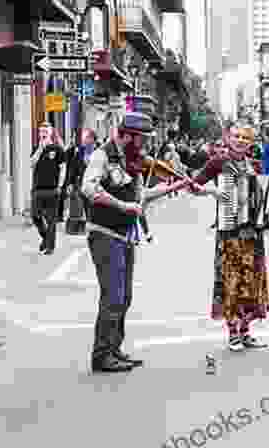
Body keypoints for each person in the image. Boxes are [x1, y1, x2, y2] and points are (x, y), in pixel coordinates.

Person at [81, 112, 193, 373]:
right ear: (128, 136)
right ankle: (101, 356)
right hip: (104, 233)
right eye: (141, 139)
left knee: (124, 297)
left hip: (125, 235)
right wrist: (122, 205)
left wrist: (174, 185)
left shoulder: (131, 161)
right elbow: (88, 188)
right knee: (113, 295)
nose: (144, 145)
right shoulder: (103, 155)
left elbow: (141, 197)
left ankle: (114, 348)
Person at [187, 125, 269, 352]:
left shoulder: (254, 166)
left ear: (251, 142)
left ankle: (245, 331)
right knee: (231, 281)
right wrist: (213, 192)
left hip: (253, 233)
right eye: (237, 136)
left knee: (251, 282)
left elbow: (262, 197)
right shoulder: (218, 162)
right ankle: (233, 332)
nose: (241, 140)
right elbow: (193, 186)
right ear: (228, 138)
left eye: (246, 137)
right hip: (229, 232)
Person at [31, 122, 66, 255]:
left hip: (53, 189)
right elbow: (31, 163)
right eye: (41, 131)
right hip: (37, 188)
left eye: (45, 131)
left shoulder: (57, 149)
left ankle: (50, 247)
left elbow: (63, 168)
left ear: (50, 132)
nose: (43, 133)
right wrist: (40, 149)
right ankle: (46, 238)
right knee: (35, 216)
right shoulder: (37, 148)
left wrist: (60, 185)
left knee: (51, 220)